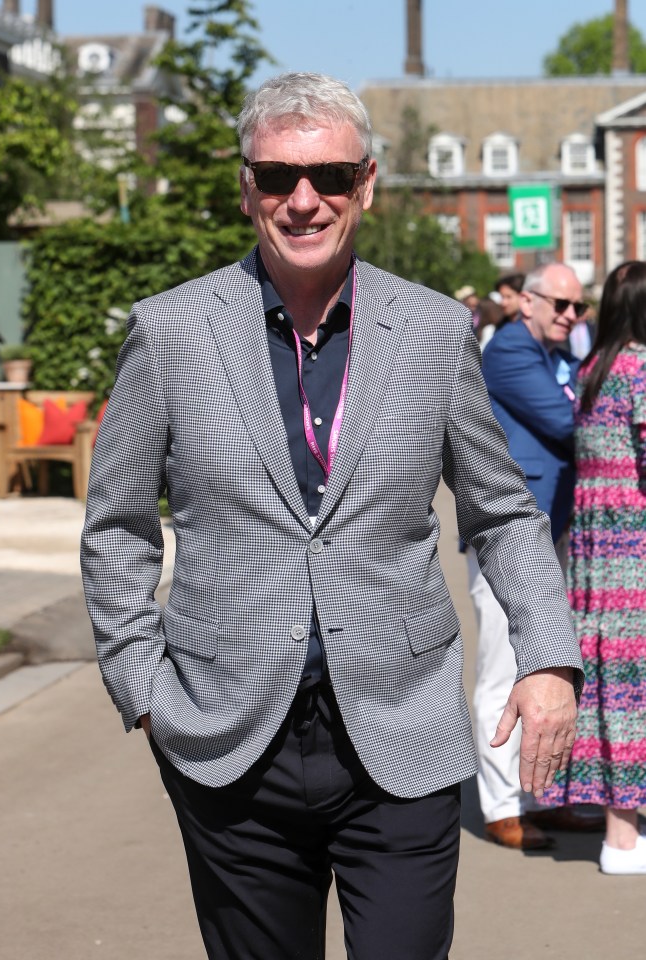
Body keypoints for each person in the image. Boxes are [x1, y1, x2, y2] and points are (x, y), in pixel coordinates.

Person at [81, 73, 582, 960]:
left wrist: (548, 658)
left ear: (367, 185)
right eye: (276, 178)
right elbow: (118, 524)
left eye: (330, 177)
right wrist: (143, 688)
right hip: (227, 742)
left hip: (402, 734)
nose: (303, 200)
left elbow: (501, 512)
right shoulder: (171, 331)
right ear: (248, 188)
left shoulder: (432, 330)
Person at [471, 262, 604, 849]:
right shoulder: (508, 352)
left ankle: (541, 797)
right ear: (527, 302)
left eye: (579, 308)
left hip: (554, 526)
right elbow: (571, 423)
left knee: (550, 666)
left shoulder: (561, 356)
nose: (571, 316)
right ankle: (502, 804)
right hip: (509, 533)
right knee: (504, 667)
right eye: (561, 305)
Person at [542, 260, 646, 874]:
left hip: (593, 545)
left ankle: (613, 823)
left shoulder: (592, 369)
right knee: (632, 689)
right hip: (632, 541)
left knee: (608, 683)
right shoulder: (640, 367)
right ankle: (623, 837)